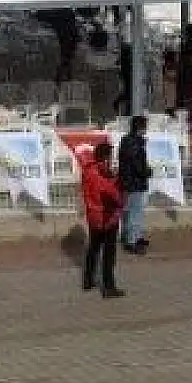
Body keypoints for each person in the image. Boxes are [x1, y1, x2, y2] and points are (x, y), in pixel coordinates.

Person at [79, 141, 125, 298]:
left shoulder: (87, 171)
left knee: (93, 248)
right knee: (108, 253)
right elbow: (111, 194)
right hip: (107, 216)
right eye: (110, 156)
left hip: (93, 215)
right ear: (105, 157)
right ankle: (108, 286)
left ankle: (88, 279)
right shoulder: (103, 174)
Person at [117, 115, 152, 254]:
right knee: (135, 213)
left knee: (131, 212)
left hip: (129, 182)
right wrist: (148, 171)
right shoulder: (135, 143)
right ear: (140, 128)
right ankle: (132, 241)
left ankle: (134, 236)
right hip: (135, 183)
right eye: (145, 127)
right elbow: (138, 165)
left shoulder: (127, 140)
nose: (146, 129)